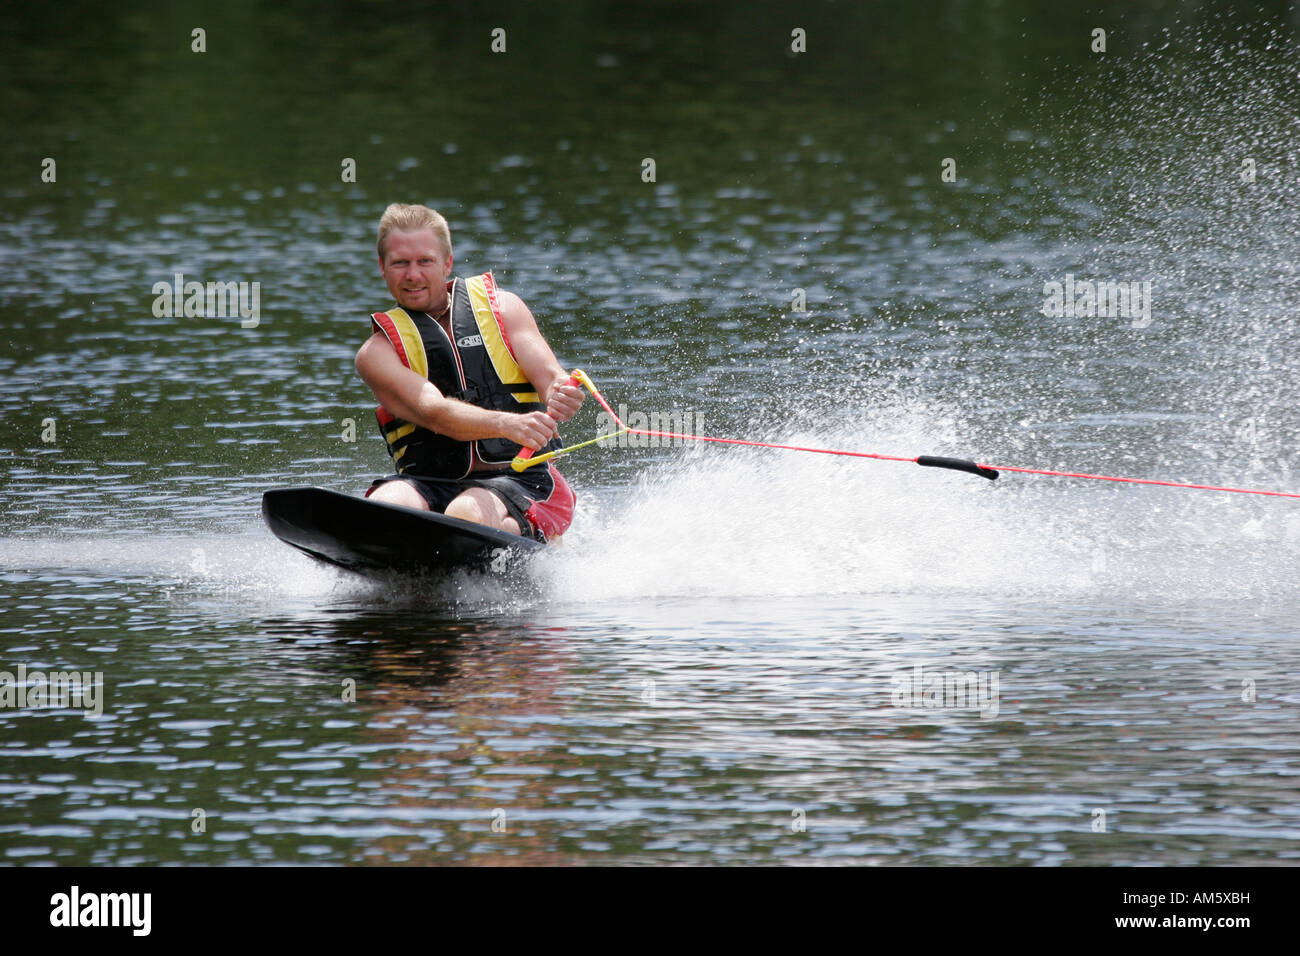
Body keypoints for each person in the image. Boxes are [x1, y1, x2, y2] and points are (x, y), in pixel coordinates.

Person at [355, 203, 582, 541]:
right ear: (382, 268)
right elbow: (435, 414)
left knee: (465, 514)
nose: (413, 275)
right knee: (386, 507)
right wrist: (507, 423)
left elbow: (551, 377)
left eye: (425, 261)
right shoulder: (377, 353)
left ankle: (517, 536)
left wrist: (561, 393)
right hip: (430, 484)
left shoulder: (505, 309)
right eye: (400, 263)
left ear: (447, 262)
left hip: (522, 480)